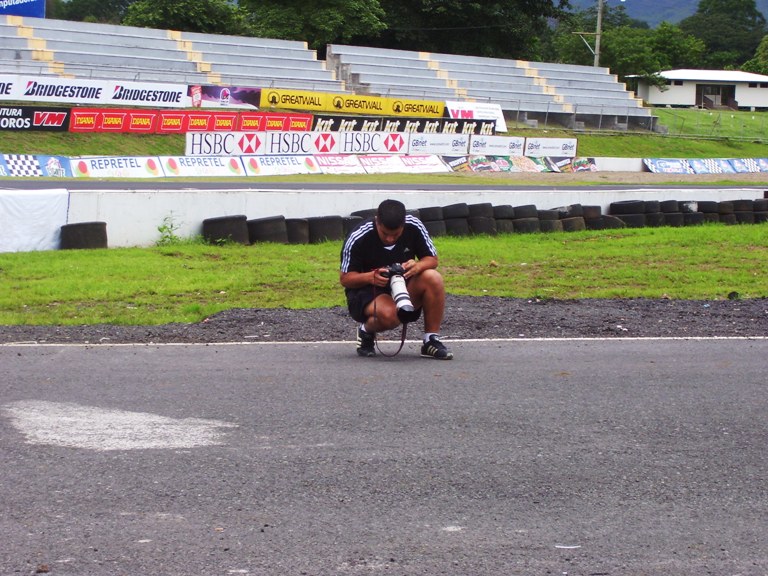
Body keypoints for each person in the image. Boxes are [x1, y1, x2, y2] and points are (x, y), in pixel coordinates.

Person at [340, 199, 453, 359]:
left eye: (396, 235)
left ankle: (431, 340)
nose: (390, 239)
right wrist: (371, 277)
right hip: (368, 289)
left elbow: (432, 260)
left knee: (433, 277)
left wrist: (417, 266)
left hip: (402, 284)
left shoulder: (414, 225)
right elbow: (345, 279)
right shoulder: (359, 236)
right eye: (385, 234)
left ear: (404, 224)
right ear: (377, 222)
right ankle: (366, 331)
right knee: (391, 315)